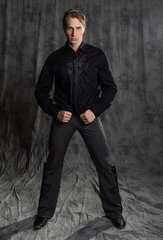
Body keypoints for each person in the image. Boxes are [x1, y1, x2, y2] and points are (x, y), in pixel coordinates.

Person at [34, 9, 126, 230]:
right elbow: (41, 92)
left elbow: (110, 89)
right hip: (63, 119)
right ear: (64, 29)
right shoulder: (55, 58)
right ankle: (44, 212)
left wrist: (95, 111)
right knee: (53, 165)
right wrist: (55, 111)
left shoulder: (97, 55)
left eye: (78, 28)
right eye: (69, 28)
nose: (73, 33)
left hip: (89, 118)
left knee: (104, 164)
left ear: (84, 28)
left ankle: (115, 211)